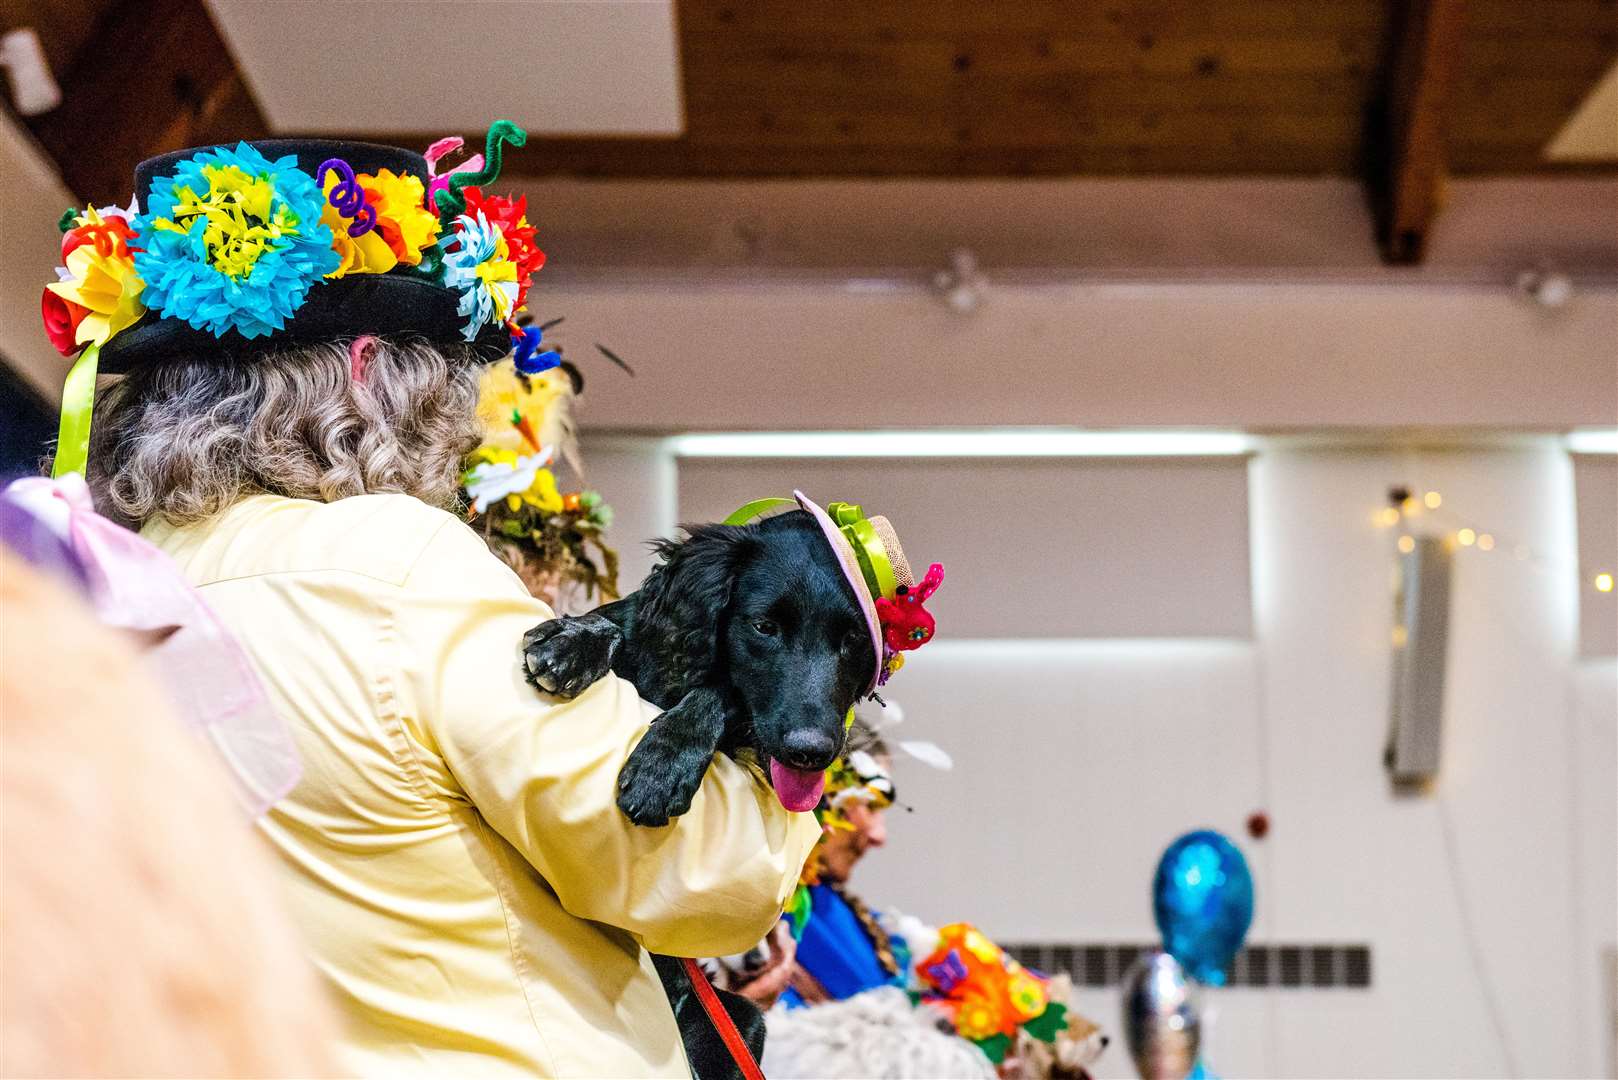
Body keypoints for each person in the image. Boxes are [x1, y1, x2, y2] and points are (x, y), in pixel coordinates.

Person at [40, 125, 817, 1077]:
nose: (464, 416)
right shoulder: (395, 570)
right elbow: (688, 873)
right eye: (451, 380)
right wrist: (796, 744)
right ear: (371, 372)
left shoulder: (89, 594)